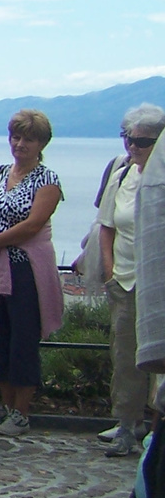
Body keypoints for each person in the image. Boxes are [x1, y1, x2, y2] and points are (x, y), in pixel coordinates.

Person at [0, 110, 64, 438]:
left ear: (41, 144)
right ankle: (5, 406)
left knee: (23, 339)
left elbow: (33, 224)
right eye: (16, 137)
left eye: (28, 139)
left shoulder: (47, 180)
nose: (20, 144)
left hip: (25, 271)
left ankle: (21, 412)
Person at [95, 105, 164, 456]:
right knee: (124, 357)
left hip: (157, 282)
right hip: (124, 280)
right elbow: (106, 225)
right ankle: (126, 423)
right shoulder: (120, 174)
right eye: (128, 139)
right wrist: (109, 272)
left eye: (142, 141)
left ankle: (155, 426)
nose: (133, 147)